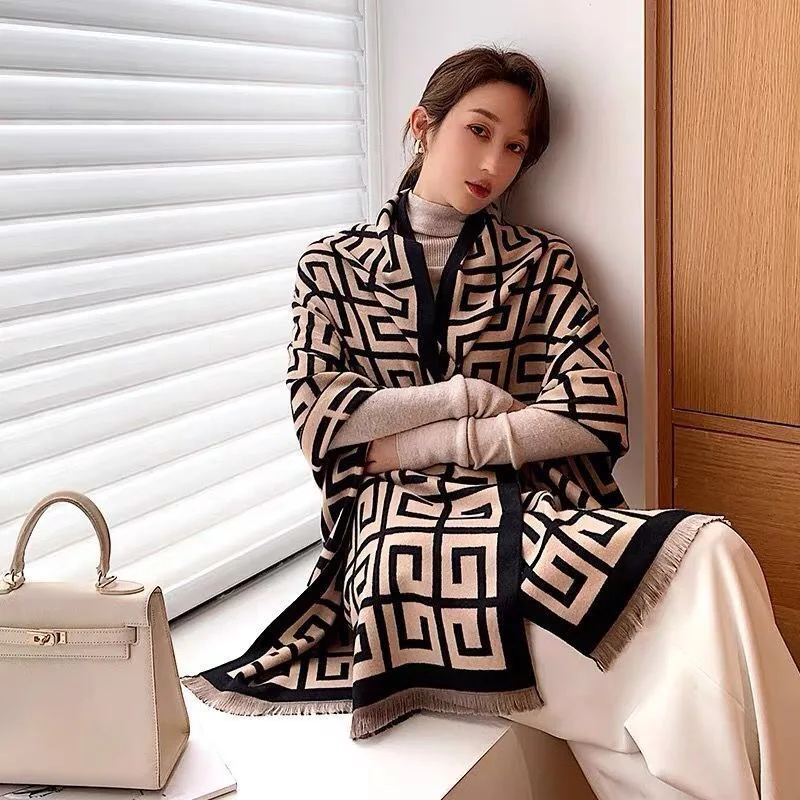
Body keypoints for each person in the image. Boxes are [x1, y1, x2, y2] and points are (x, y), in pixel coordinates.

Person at [181, 46, 800, 799]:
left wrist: (430, 441)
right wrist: (463, 395)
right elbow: (322, 417)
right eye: (478, 131)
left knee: (718, 550)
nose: (495, 164)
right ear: (423, 125)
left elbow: (595, 409)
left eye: (515, 147)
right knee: (678, 695)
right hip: (396, 532)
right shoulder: (332, 266)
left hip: (530, 508)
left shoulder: (542, 263)